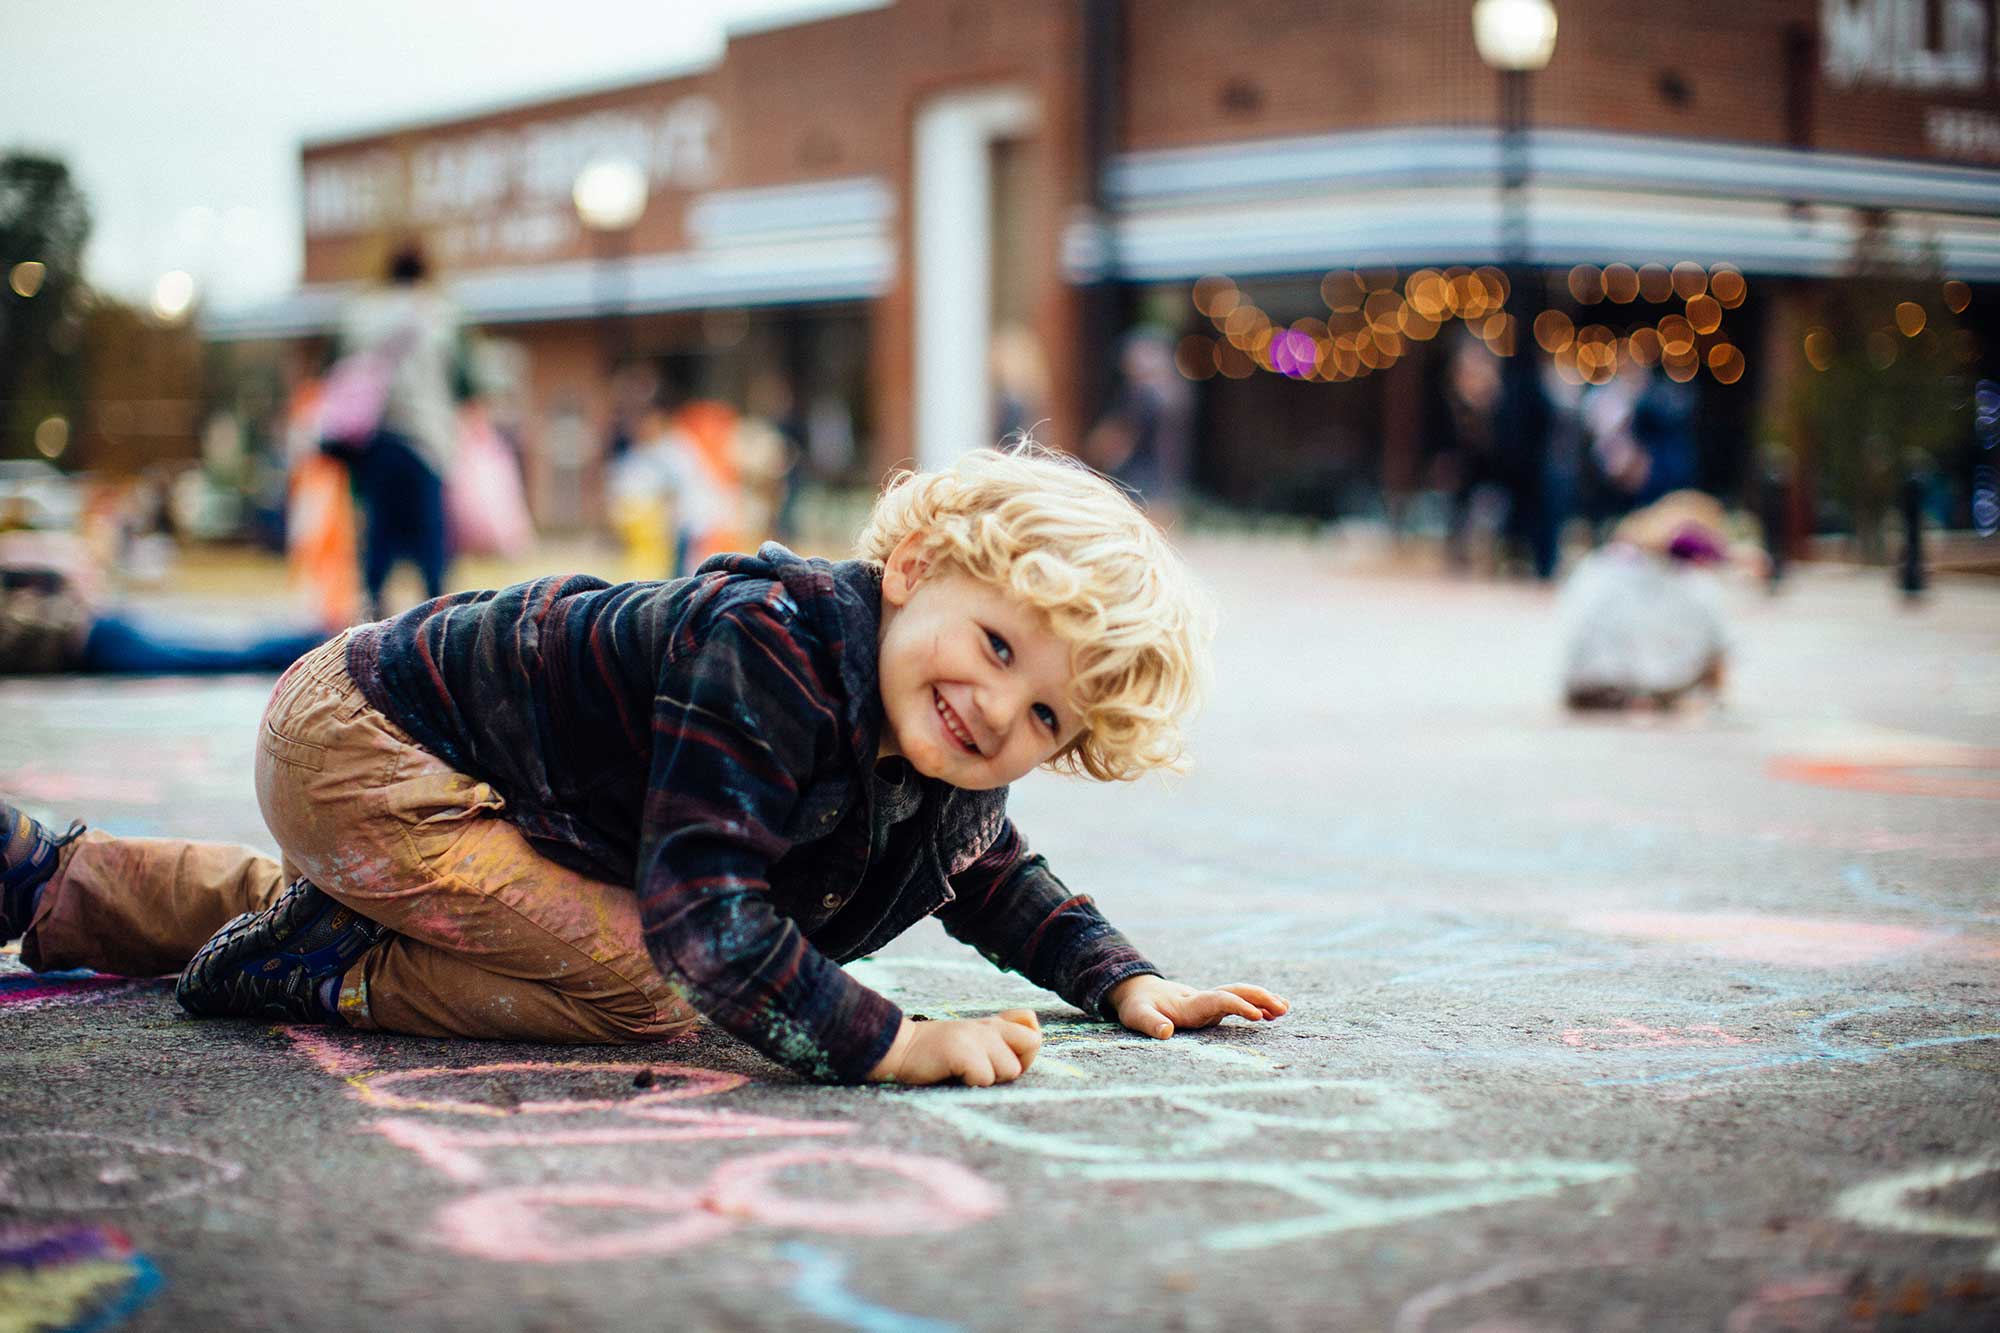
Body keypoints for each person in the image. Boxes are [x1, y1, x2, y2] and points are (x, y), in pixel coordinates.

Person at [3, 445, 1288, 1087]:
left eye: (1046, 717)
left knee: (519, 921)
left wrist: (1119, 978)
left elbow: (989, 871)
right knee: (667, 984)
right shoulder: (775, 649)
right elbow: (702, 926)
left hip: (451, 801)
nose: (996, 708)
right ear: (912, 568)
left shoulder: (937, 737)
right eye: (997, 643)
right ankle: (325, 966)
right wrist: (887, 1039)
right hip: (372, 742)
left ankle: (62, 880)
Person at [335, 243, 463, 620]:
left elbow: (339, 361)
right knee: (430, 535)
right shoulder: (439, 313)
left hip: (376, 437)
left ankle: (372, 614)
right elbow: (460, 378)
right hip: (425, 438)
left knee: (379, 531)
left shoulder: (362, 314)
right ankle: (438, 617)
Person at [1, 530, 326, 676]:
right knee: (214, 651)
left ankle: (308, 643)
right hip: (95, 636)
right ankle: (306, 642)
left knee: (215, 655)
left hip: (94, 640)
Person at [1559, 489, 1732, 712]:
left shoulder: (1601, 563)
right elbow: (1719, 647)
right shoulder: (1695, 584)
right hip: (1642, 686)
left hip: (1586, 684)